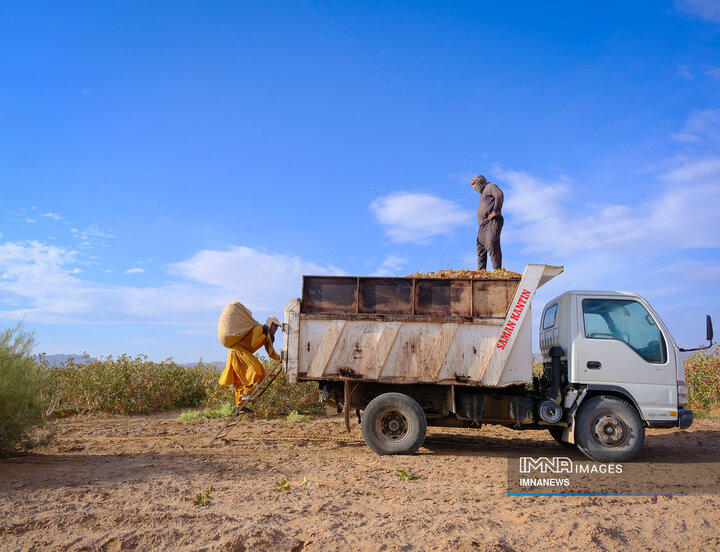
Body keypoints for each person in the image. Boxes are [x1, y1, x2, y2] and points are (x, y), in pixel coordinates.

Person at [218, 315, 281, 412]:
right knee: (255, 369)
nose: (275, 329)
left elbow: (271, 353)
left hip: (241, 353)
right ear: (269, 324)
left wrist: (280, 358)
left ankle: (240, 406)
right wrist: (264, 334)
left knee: (241, 380)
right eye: (274, 326)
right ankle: (246, 395)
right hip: (237, 351)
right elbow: (254, 343)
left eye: (277, 327)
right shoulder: (259, 329)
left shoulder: (268, 336)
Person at [471, 174, 504, 271]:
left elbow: (499, 195)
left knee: (492, 244)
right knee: (481, 248)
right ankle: (481, 272)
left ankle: (497, 270)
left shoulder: (490, 186)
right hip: (482, 225)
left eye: (474, 184)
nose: (474, 187)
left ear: (480, 182)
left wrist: (495, 211)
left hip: (492, 222)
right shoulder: (483, 193)